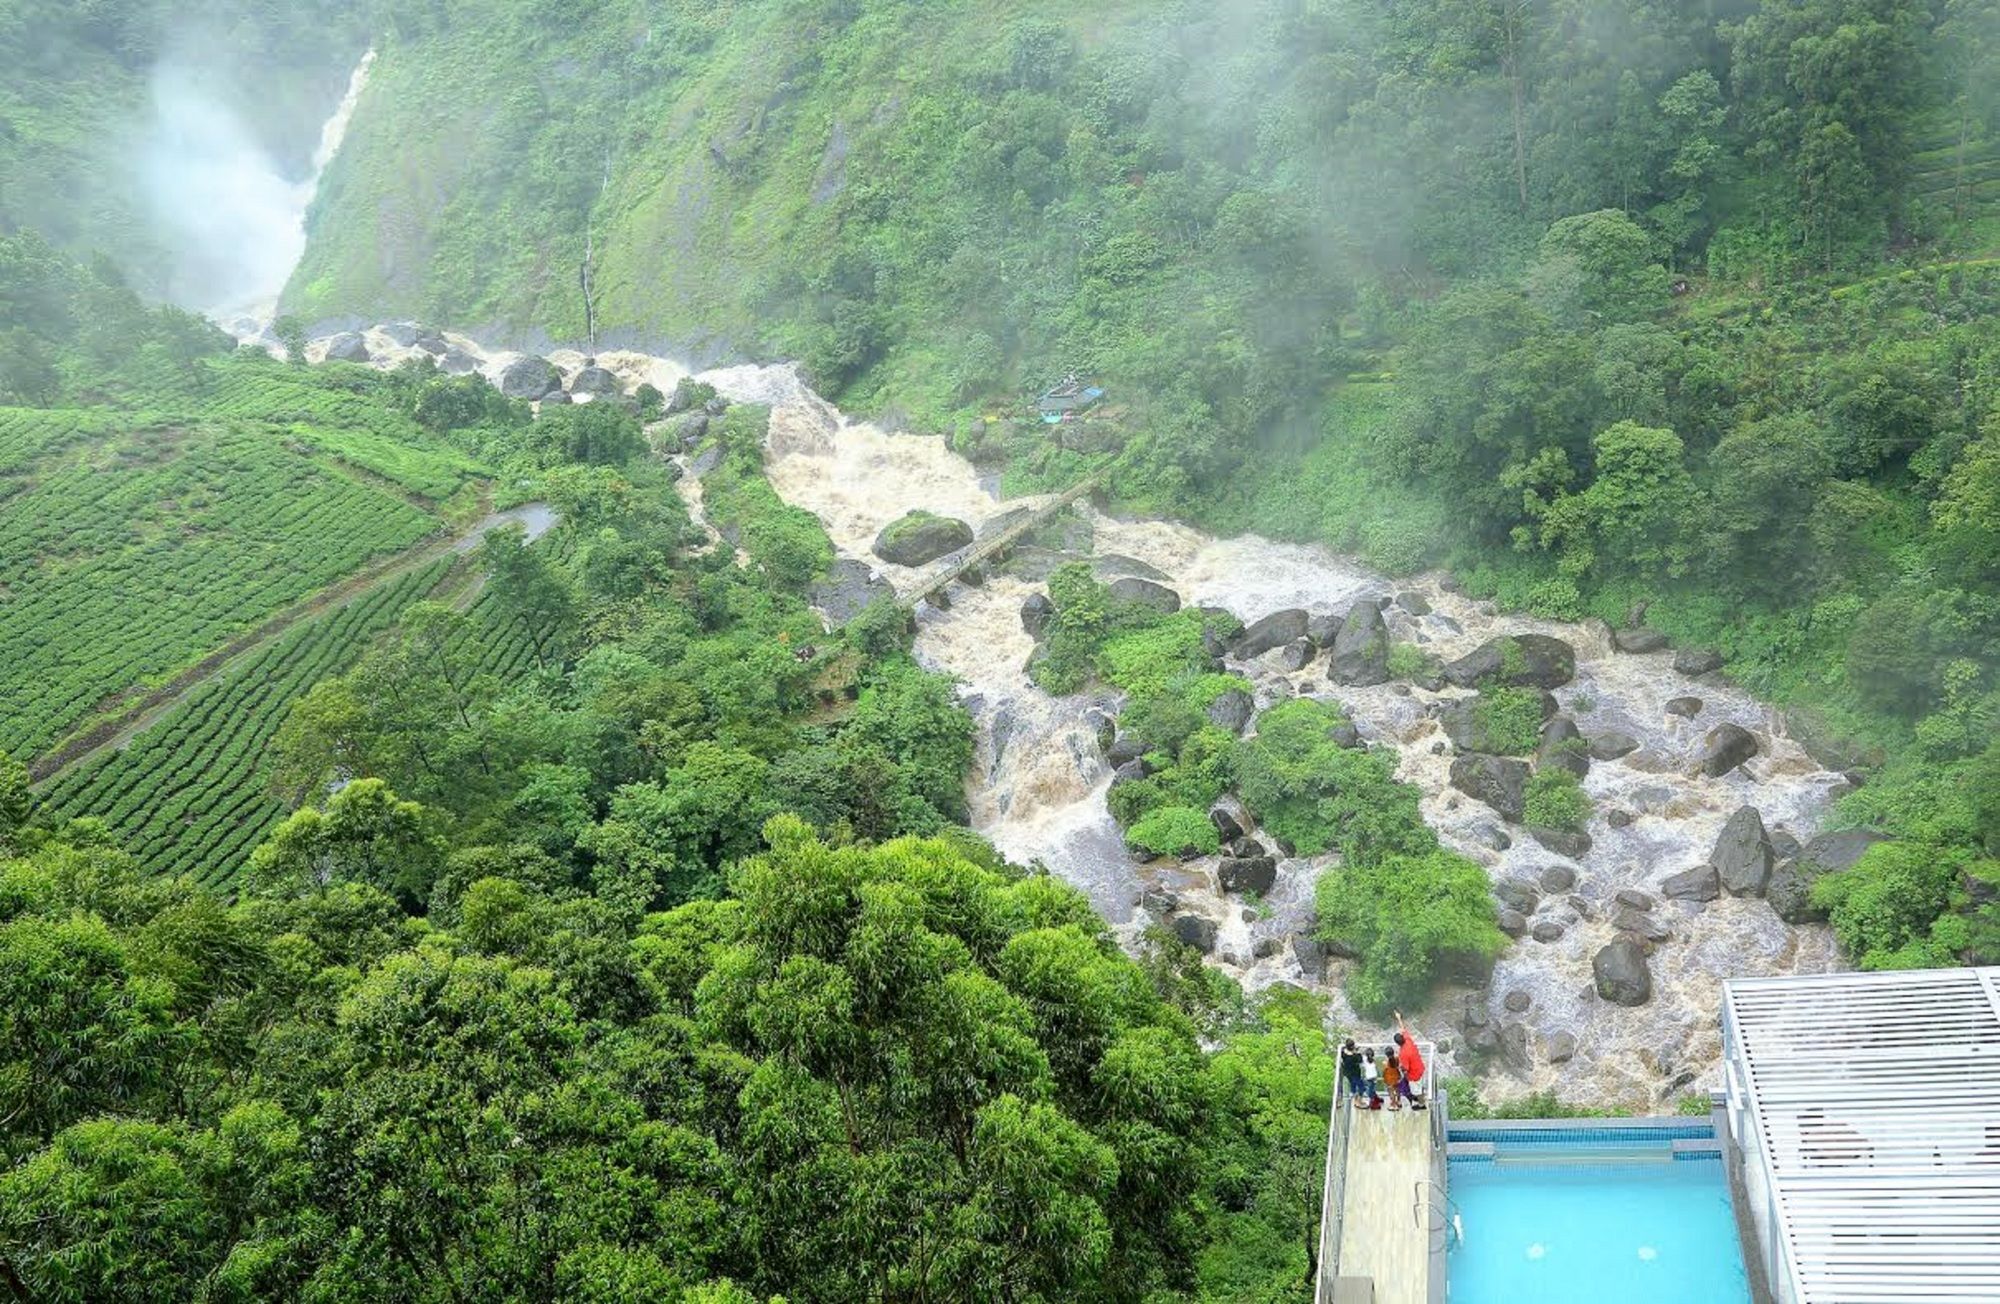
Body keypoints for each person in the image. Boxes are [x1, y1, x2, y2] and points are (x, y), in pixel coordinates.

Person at [1394, 1012, 1427, 1111]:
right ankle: (1420, 1098)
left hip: (1414, 1074)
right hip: (1420, 1067)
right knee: (1419, 1086)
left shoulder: (1403, 1054)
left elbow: (1406, 1068)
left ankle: (1421, 1104)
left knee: (1417, 1091)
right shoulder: (1408, 1040)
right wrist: (1399, 1018)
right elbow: (1403, 1029)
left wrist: (1399, 1067)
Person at [1338, 1038, 1367, 1106]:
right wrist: (1357, 1052)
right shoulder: (1354, 1056)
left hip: (1347, 1074)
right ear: (1352, 1047)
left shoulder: (1343, 1054)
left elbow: (1344, 1052)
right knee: (1361, 1087)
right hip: (1355, 1074)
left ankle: (1355, 1099)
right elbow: (1360, 1060)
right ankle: (1358, 1102)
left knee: (1353, 1086)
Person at [1379, 1045, 1403, 1111]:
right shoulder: (1397, 1059)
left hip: (1389, 1080)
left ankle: (1393, 1104)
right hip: (1397, 1078)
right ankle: (1399, 1101)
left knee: (1391, 1092)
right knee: (1397, 1090)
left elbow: (1384, 1071)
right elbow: (1398, 1066)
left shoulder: (1386, 1063)